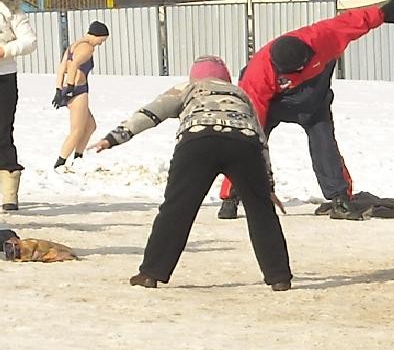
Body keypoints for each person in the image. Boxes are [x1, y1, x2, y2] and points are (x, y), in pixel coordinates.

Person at [88, 55, 292, 290]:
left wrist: (114, 138)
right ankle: (279, 277)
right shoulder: (240, 94)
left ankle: (151, 273)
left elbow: (151, 113)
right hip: (243, 144)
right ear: (225, 77)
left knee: (176, 209)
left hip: (197, 142)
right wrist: (267, 186)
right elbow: (260, 138)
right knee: (261, 212)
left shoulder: (188, 88)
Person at [217, 0, 394, 221]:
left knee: (324, 143)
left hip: (314, 100)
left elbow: (351, 22)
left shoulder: (320, 38)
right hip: (274, 103)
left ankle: (339, 198)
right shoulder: (258, 73)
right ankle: (231, 197)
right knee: (249, 144)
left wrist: (382, 14)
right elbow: (249, 127)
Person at [52, 21, 110, 169]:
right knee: (77, 130)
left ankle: (78, 158)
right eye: (101, 40)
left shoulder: (74, 45)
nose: (100, 44)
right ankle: (60, 163)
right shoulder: (88, 48)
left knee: (90, 125)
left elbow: (61, 68)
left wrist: (59, 90)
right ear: (96, 35)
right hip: (78, 91)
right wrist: (70, 87)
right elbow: (73, 65)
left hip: (73, 88)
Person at [0, 0, 37, 211]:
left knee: (3, 131)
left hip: (4, 76)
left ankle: (9, 194)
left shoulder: (9, 7)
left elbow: (30, 41)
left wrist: (5, 50)